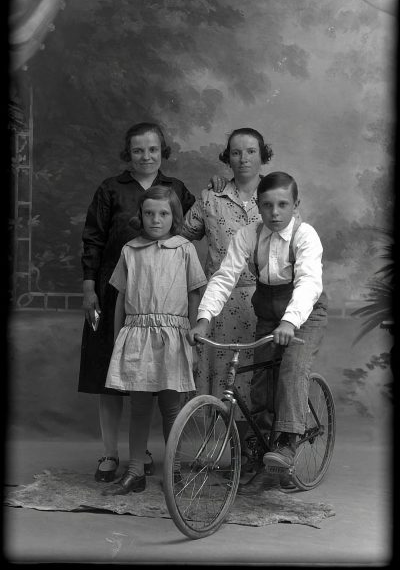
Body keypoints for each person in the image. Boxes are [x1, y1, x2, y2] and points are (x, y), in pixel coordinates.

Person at [79, 122, 223, 483]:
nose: (146, 156)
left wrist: (220, 188)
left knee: (167, 394)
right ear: (128, 153)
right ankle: (115, 454)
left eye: (153, 149)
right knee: (115, 381)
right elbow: (93, 239)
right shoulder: (111, 189)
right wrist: (88, 288)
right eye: (138, 150)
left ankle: (158, 460)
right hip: (120, 298)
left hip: (170, 312)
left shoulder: (176, 192)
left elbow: (197, 220)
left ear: (163, 152)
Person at [189, 172, 328, 494]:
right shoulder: (248, 235)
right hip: (267, 312)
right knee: (260, 384)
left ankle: (288, 443)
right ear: (258, 206)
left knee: (291, 369)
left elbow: (308, 283)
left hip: (305, 314)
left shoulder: (305, 236)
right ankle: (265, 461)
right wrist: (204, 319)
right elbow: (225, 277)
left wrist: (290, 322)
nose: (275, 213)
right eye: (267, 205)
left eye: (282, 205)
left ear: (296, 205)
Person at [101, 186, 207, 495]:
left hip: (173, 335)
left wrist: (192, 335)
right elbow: (121, 298)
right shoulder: (130, 250)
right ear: (141, 215)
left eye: (163, 214)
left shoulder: (184, 248)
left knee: (171, 406)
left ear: (174, 217)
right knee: (139, 407)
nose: (155, 219)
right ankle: (135, 471)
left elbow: (194, 293)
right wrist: (119, 337)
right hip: (137, 334)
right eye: (149, 213)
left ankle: (172, 470)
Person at [182, 128, 273, 467]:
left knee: (255, 378)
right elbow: (181, 234)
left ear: (262, 155)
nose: (243, 158)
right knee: (221, 378)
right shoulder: (211, 198)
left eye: (251, 151)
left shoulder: (274, 195)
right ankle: (226, 452)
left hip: (262, 302)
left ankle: (255, 453)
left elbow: (295, 243)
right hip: (219, 301)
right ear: (227, 158)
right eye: (236, 152)